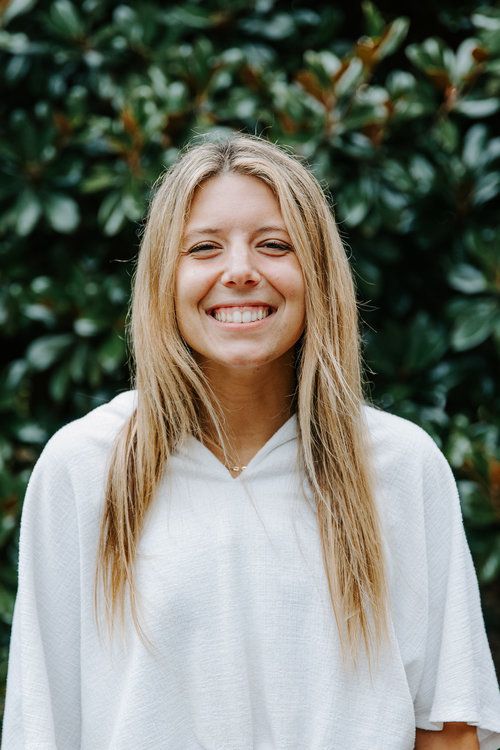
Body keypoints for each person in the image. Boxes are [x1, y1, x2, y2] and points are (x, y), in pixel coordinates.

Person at [2, 134, 500, 750]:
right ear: (163, 277)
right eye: (204, 247)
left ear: (317, 274)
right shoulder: (83, 468)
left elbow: (450, 728)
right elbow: (41, 727)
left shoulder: (400, 466)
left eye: (274, 245)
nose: (240, 271)